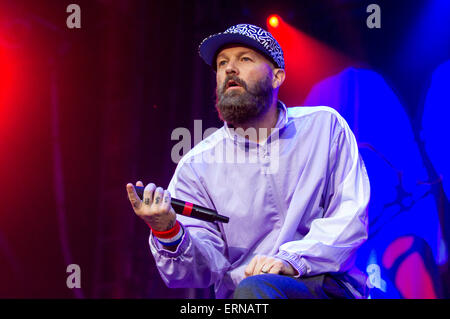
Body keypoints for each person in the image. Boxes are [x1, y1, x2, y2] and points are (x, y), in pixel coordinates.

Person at [126, 24, 370, 299]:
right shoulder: (197, 165)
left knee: (256, 289)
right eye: (222, 63)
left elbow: (349, 217)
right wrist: (168, 231)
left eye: (244, 59)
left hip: (325, 287)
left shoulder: (324, 127)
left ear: (277, 77)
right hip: (246, 297)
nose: (229, 69)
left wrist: (291, 261)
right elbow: (198, 271)